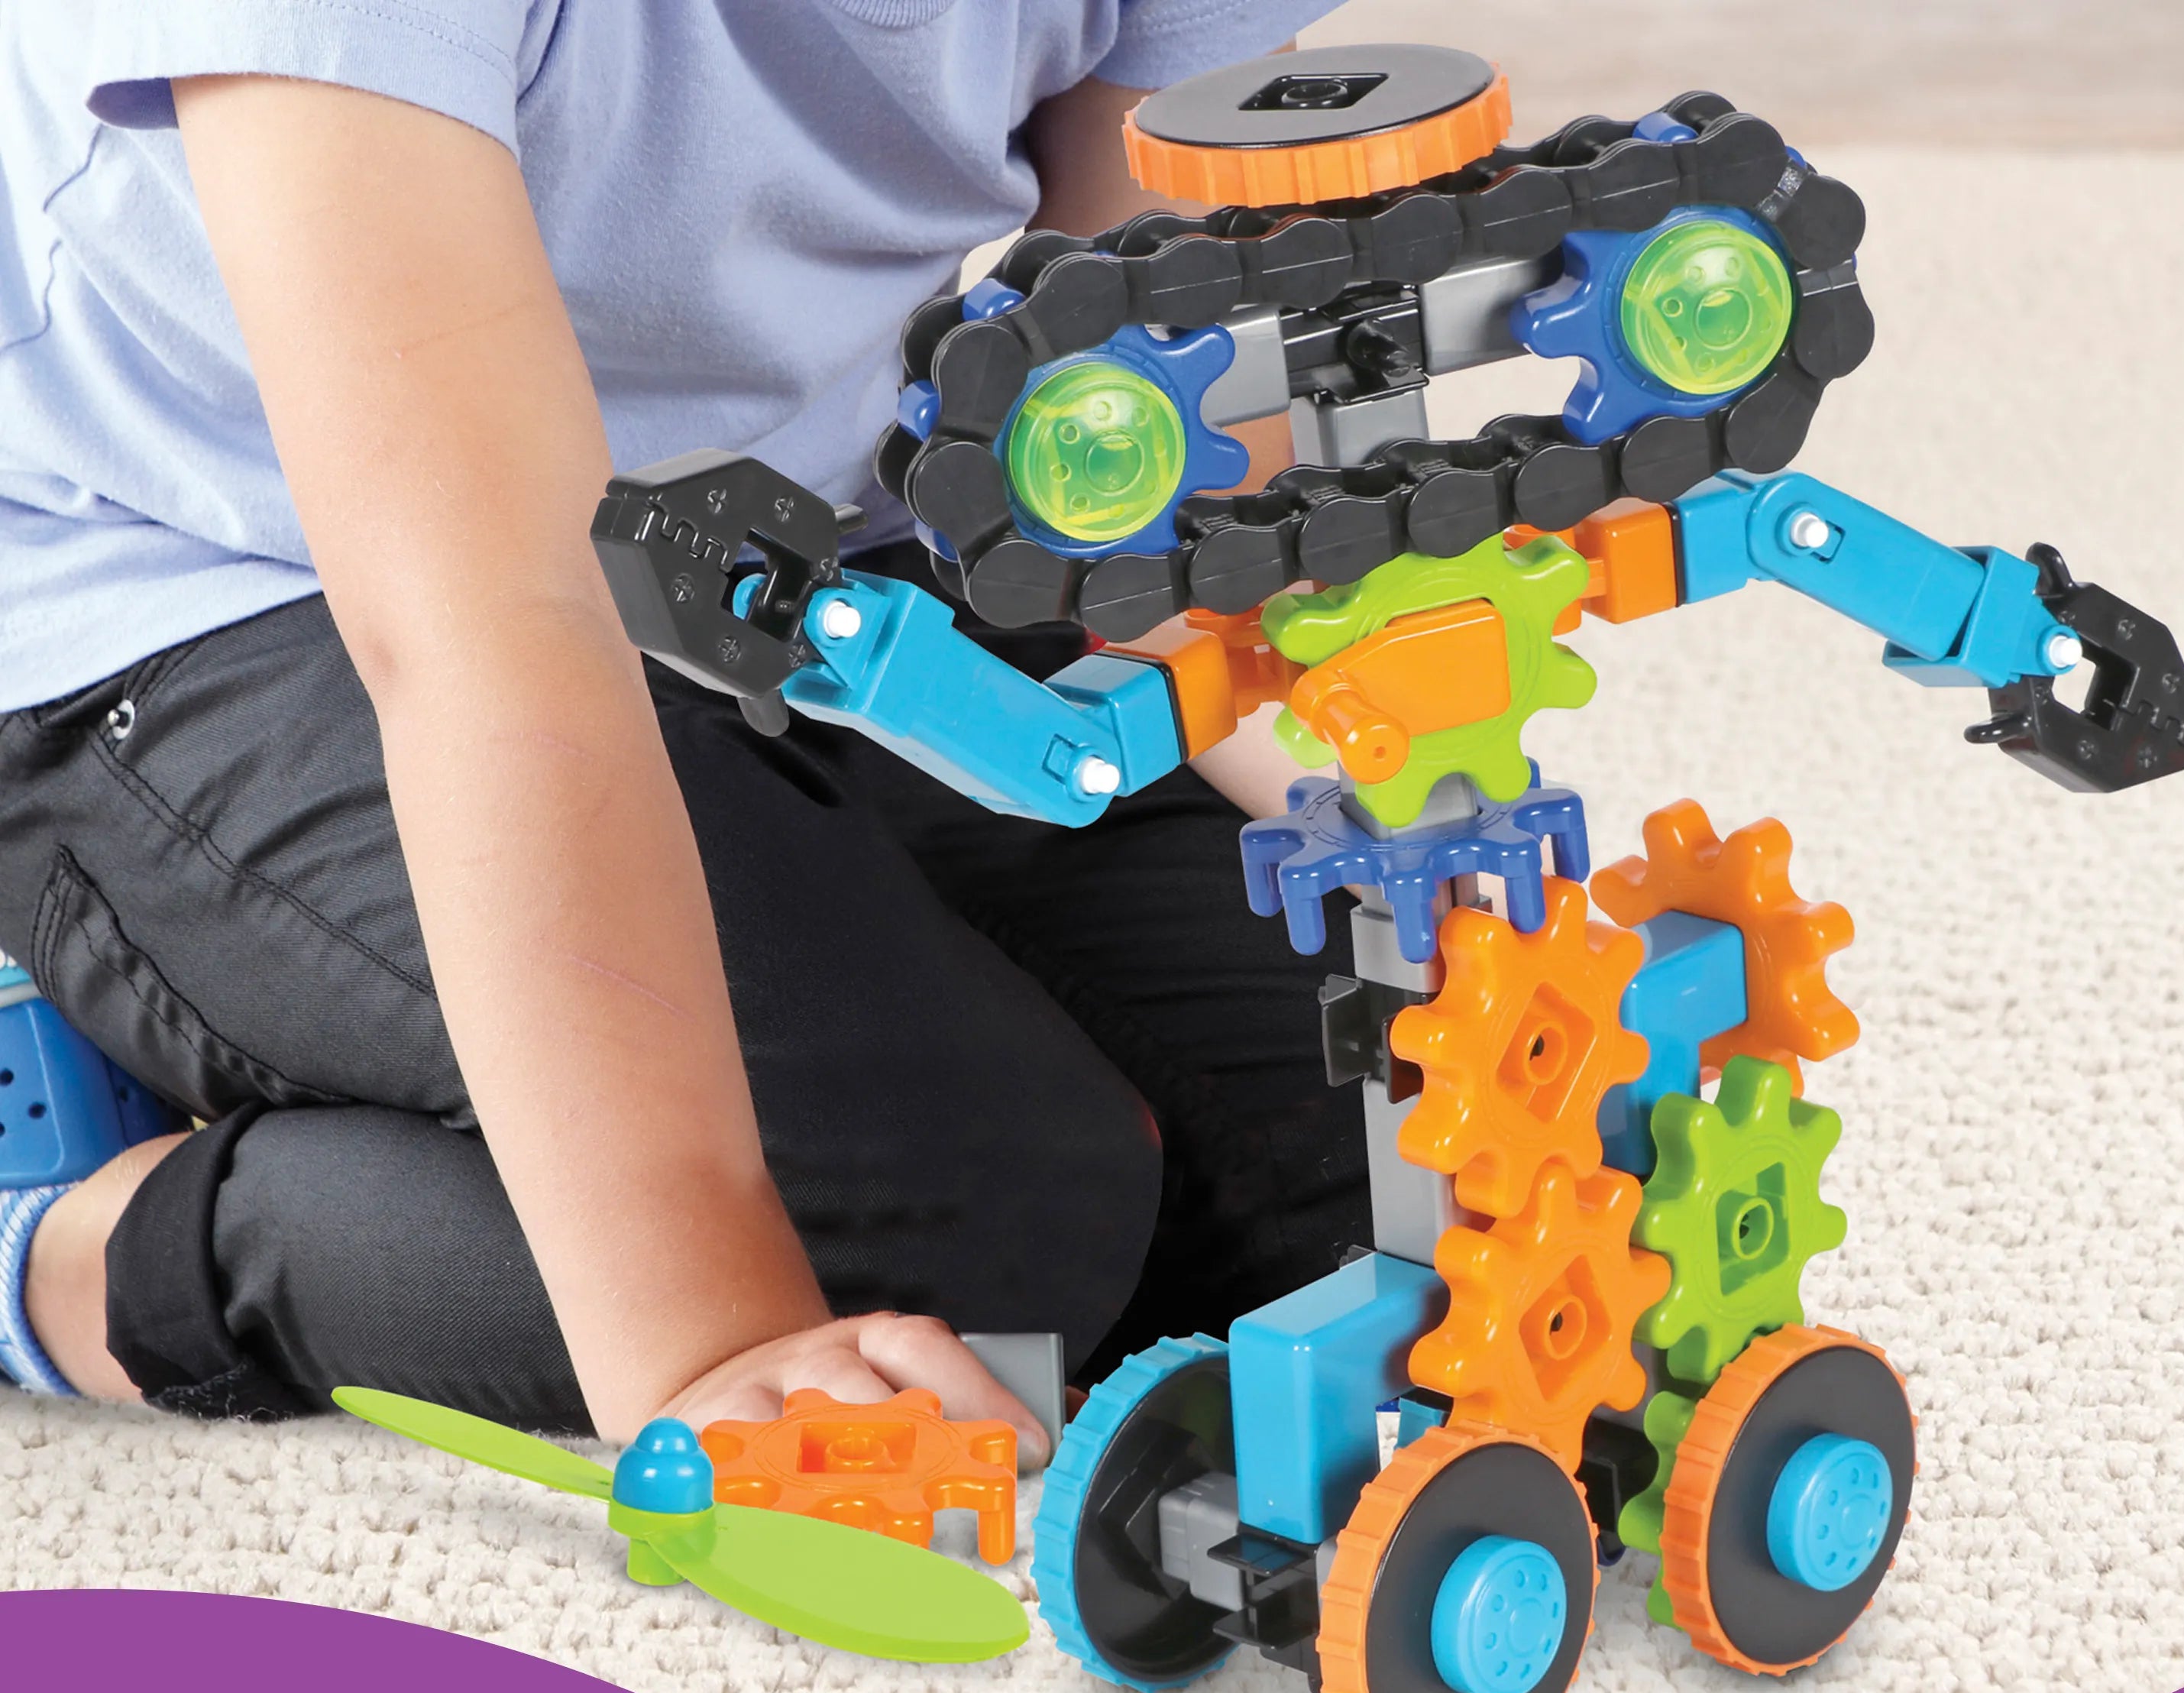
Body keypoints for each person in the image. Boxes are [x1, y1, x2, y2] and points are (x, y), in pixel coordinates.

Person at [0, 2, 1365, 1452]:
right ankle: (79, 1252)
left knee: (1383, 1153)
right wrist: (708, 1351)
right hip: (230, 579)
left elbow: (1156, 427)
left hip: (798, 551)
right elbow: (488, 624)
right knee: (926, 1237)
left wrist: (1390, 810)